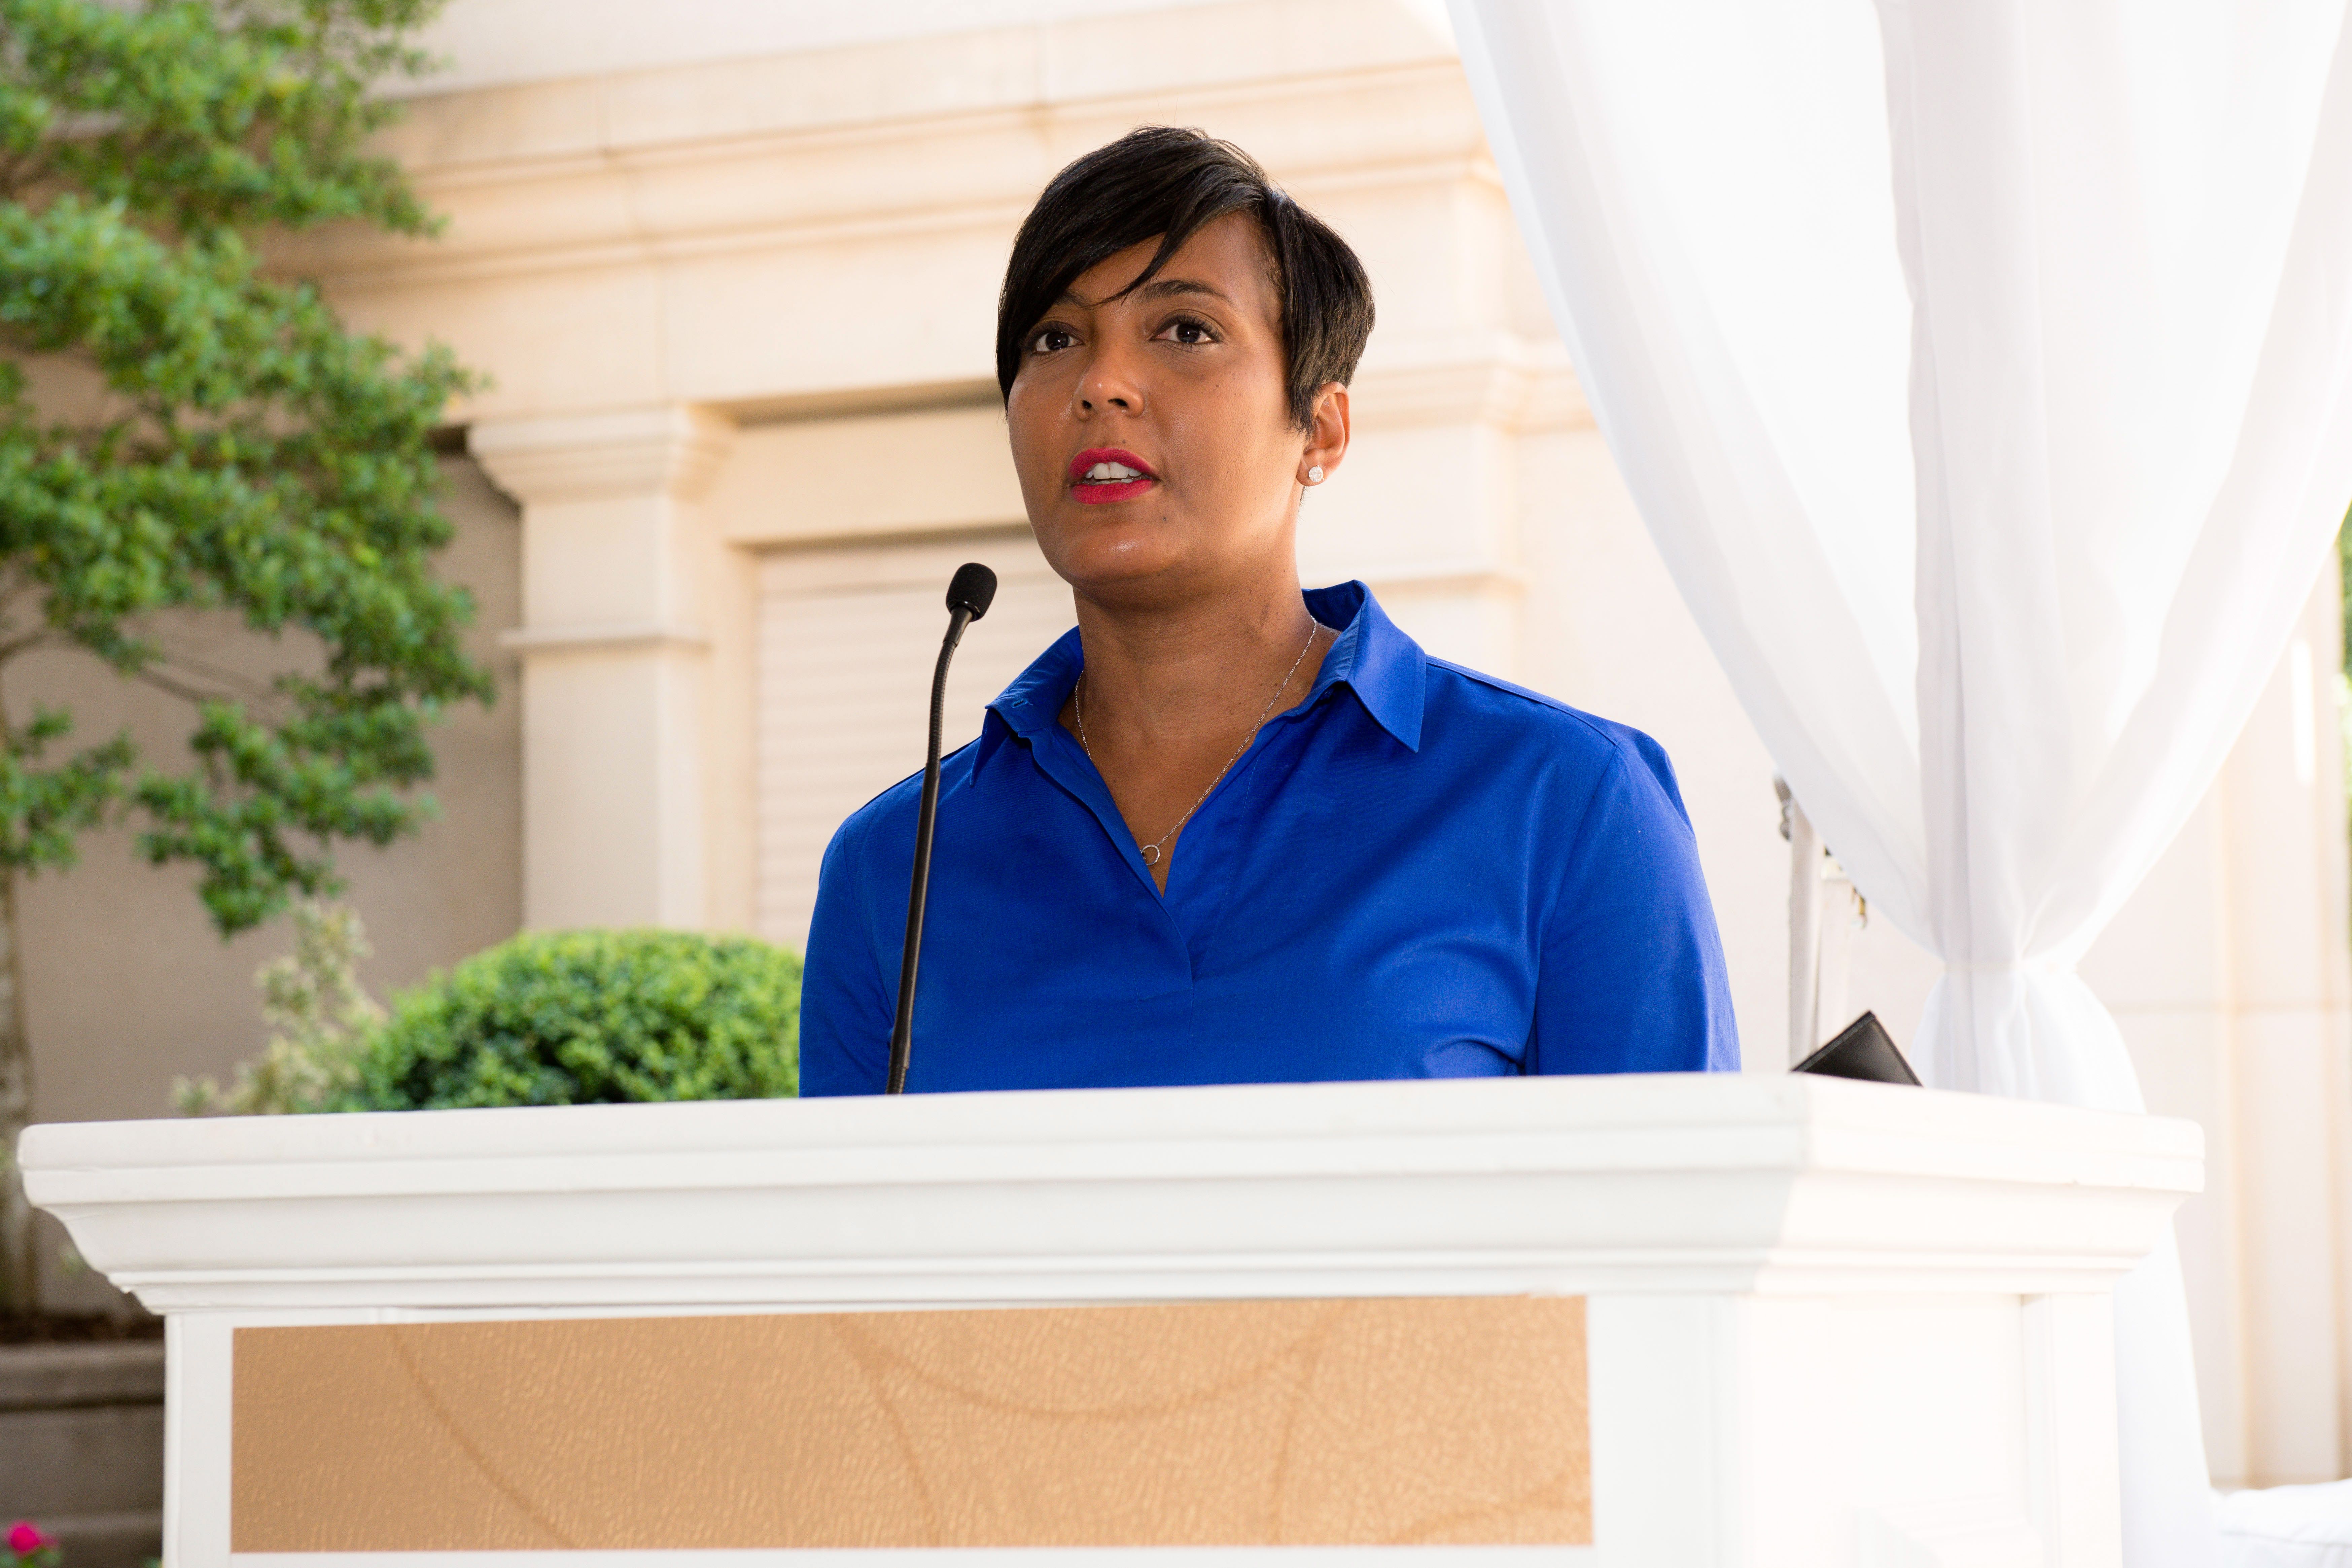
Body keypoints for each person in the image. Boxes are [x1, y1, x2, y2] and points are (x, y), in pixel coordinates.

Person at [801, 126, 1737, 1094]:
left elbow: (1674, 1235)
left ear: (1320, 429)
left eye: (1185, 331)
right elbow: (844, 1242)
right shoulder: (892, 870)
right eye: (1055, 338)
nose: (1101, 384)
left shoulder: (1572, 802)